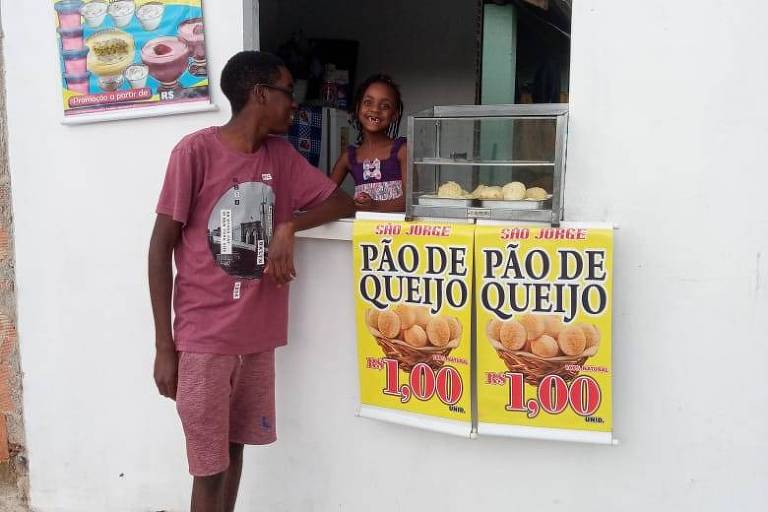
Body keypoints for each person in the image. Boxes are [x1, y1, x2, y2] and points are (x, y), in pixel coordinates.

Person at [148, 51, 354, 512]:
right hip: (205, 339)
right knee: (208, 466)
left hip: (255, 337)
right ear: (261, 94)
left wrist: (290, 226)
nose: (294, 105)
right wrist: (166, 345)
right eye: (287, 93)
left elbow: (342, 203)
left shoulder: (280, 156)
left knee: (235, 448)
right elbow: (159, 247)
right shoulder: (195, 152)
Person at [330, 74, 407, 212]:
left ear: (394, 115)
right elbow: (324, 194)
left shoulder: (402, 150)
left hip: (396, 231)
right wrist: (350, 204)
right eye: (368, 102)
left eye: (385, 106)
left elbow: (411, 199)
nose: (375, 109)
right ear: (358, 107)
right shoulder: (349, 156)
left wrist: (376, 206)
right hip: (362, 231)